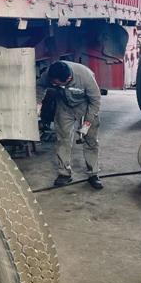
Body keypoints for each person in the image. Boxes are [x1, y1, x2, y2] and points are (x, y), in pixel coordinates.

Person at [38, 60, 102, 189]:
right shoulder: (50, 73)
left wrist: (87, 124)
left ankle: (93, 174)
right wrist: (38, 103)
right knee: (63, 140)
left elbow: (95, 101)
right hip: (64, 107)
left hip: (85, 106)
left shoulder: (85, 77)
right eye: (52, 82)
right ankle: (64, 174)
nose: (53, 84)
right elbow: (39, 86)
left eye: (56, 83)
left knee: (90, 140)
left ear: (68, 79)